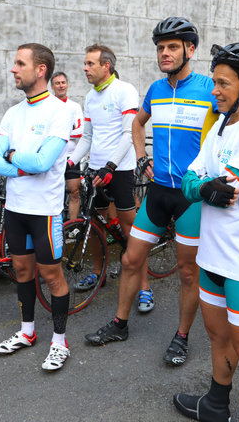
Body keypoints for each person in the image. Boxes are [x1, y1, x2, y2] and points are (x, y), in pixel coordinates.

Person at [84, 17, 218, 367]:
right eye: (160, 48)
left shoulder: (208, 89)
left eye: (173, 46)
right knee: (130, 258)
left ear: (191, 49)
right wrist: (142, 157)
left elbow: (230, 130)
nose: (165, 53)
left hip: (191, 197)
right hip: (159, 191)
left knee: (189, 273)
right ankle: (119, 324)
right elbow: (138, 123)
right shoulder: (157, 89)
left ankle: (182, 336)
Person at [173, 42, 239, 422]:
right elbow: (191, 179)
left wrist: (203, 187)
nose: (214, 90)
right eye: (214, 82)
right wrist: (202, 186)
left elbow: (225, 191)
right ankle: (217, 404)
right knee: (219, 338)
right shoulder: (221, 125)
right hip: (213, 253)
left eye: (222, 83)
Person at [0, 43, 73, 371]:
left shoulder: (60, 111)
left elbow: (44, 162)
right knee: (22, 271)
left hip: (45, 210)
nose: (13, 69)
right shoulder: (13, 113)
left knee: (52, 275)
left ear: (40, 70)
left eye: (19, 63)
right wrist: (21, 164)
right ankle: (27, 333)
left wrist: (14, 157)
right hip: (16, 208)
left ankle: (60, 342)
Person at [68, 45, 148, 309]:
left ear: (106, 66)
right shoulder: (91, 96)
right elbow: (87, 137)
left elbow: (129, 133)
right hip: (97, 171)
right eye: (85, 63)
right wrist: (69, 162)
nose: (85, 68)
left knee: (131, 231)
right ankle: (98, 273)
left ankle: (144, 286)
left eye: (90, 63)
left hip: (120, 171)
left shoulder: (124, 91)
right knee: (96, 226)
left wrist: (111, 166)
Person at [51, 71, 84, 221]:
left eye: (63, 82)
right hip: (53, 156)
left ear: (67, 85)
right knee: (53, 192)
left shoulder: (74, 106)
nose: (61, 85)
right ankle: (54, 225)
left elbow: (80, 131)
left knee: (74, 191)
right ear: (52, 86)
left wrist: (59, 134)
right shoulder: (48, 106)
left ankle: (72, 225)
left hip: (71, 156)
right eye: (57, 83)